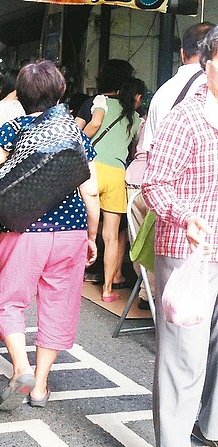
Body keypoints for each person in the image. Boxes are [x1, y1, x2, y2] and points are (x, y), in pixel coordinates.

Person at [0, 60, 99, 410]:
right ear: (60, 92)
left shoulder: (11, 130)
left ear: (22, 95)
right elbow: (90, 191)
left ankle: (21, 367)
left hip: (22, 231)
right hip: (71, 233)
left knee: (9, 301)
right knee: (57, 305)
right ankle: (40, 386)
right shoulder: (75, 134)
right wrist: (91, 234)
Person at [142, 25, 218, 447]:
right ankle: (173, 444)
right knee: (184, 357)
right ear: (207, 66)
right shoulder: (186, 118)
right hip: (190, 251)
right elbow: (155, 183)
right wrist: (185, 216)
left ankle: (211, 427)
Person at [76, 63, 143, 302]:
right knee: (112, 235)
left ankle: (74, 277)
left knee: (82, 227)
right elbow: (135, 148)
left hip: (92, 169)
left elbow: (81, 129)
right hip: (117, 174)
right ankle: (107, 290)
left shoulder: (96, 103)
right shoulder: (134, 116)